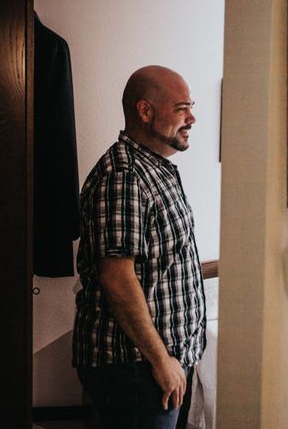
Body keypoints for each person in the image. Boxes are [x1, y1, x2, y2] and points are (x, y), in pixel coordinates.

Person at [72, 65, 206, 429]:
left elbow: (164, 262)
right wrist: (161, 360)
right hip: (135, 365)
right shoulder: (124, 176)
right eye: (182, 108)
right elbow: (117, 279)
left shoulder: (155, 168)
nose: (192, 117)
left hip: (159, 362)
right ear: (145, 112)